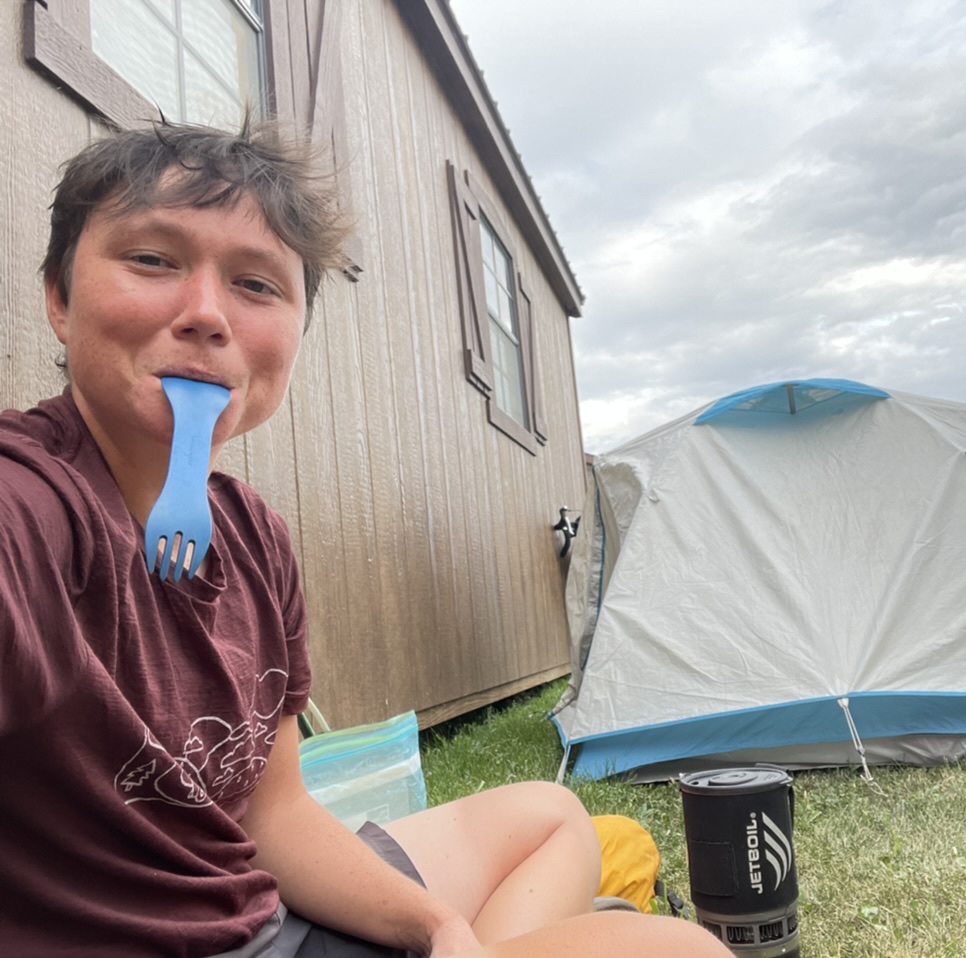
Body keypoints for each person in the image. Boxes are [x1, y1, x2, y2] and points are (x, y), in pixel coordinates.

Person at [0, 120, 730, 958]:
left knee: (553, 816)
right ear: (60, 296)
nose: (206, 313)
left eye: (256, 285)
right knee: (685, 951)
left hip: (250, 899)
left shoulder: (252, 538)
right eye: (153, 261)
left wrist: (440, 927)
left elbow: (270, 815)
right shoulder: (29, 505)